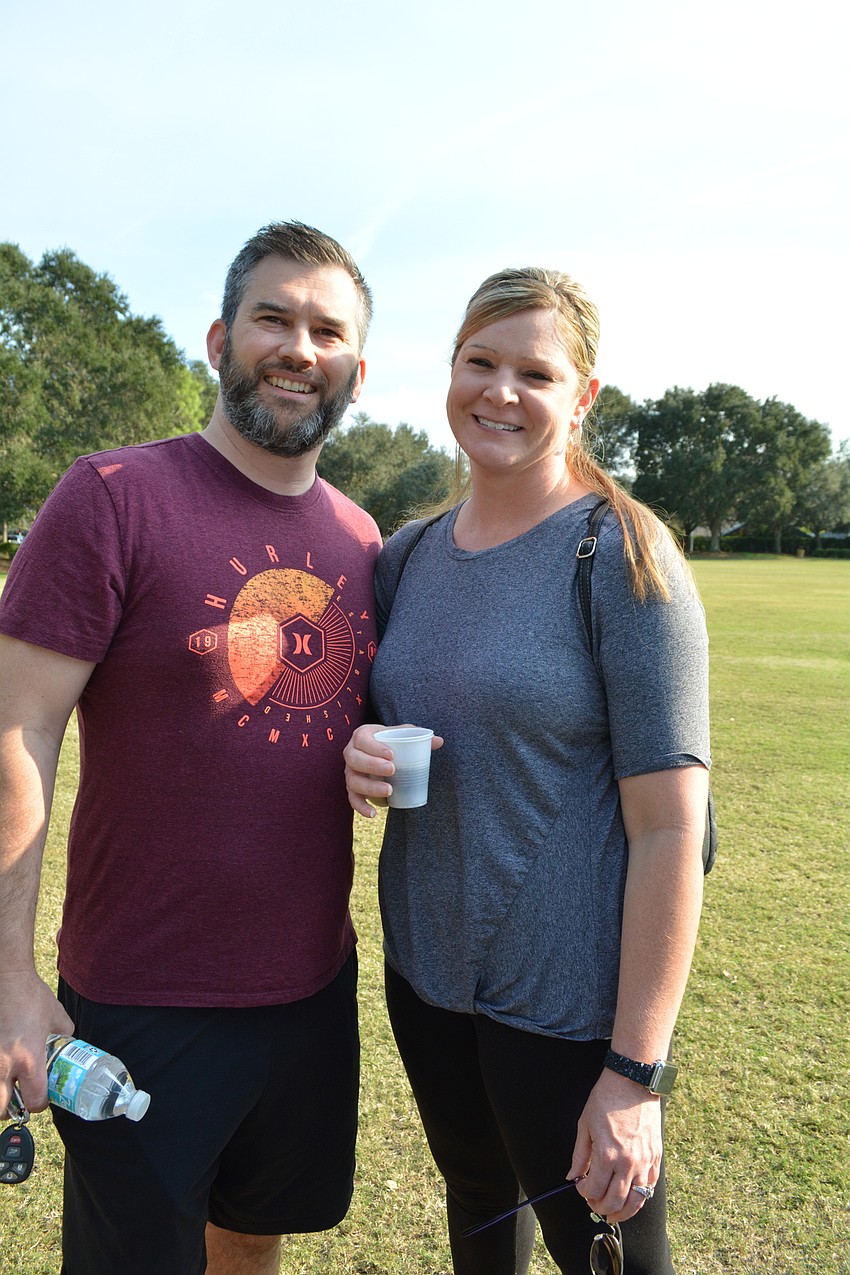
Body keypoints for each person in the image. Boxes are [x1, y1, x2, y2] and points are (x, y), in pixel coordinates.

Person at [0, 221, 382, 1275]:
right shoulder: (112, 496)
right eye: (273, 318)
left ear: (357, 369)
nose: (299, 348)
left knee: (254, 1235)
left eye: (327, 330)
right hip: (142, 999)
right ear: (219, 340)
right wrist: (8, 975)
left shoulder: (363, 542)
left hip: (310, 991)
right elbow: (16, 732)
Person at [343, 267, 710, 1275]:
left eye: (535, 374)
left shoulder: (623, 555)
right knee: (476, 1207)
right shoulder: (407, 557)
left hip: (570, 1010)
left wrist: (634, 1072)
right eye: (480, 361)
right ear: (451, 369)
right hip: (427, 981)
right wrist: (359, 750)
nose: (500, 391)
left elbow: (673, 827)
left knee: (612, 1259)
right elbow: (389, 713)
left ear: (581, 396)